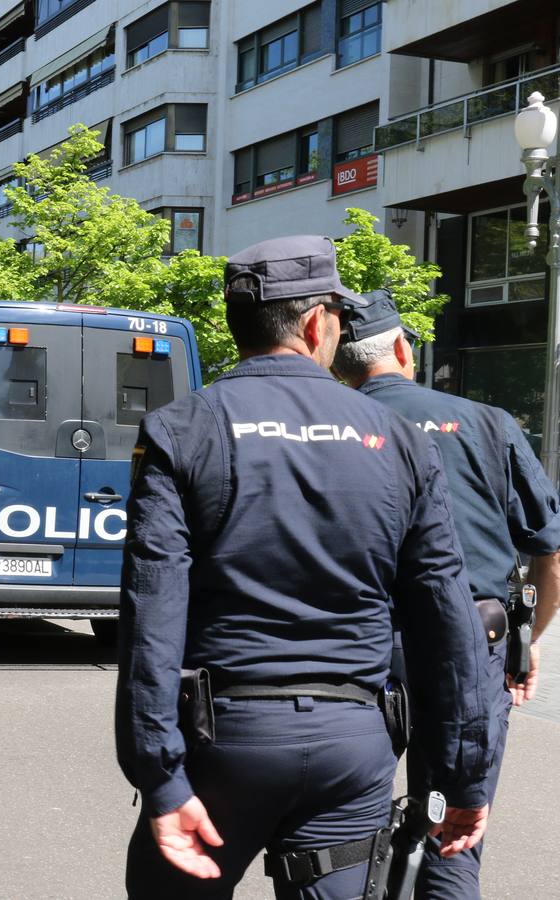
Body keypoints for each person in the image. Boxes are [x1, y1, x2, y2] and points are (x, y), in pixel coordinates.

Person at [116, 235, 492, 900]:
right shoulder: (402, 442)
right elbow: (447, 617)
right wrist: (464, 777)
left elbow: (151, 614)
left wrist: (161, 778)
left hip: (223, 744)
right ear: (317, 321)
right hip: (353, 748)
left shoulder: (181, 428)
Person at [332, 289, 560, 899]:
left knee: (346, 833)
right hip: (470, 647)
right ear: (404, 348)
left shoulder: (325, 425)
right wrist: (526, 641)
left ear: (335, 360)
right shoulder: (487, 424)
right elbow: (549, 547)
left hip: (354, 652)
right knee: (452, 828)